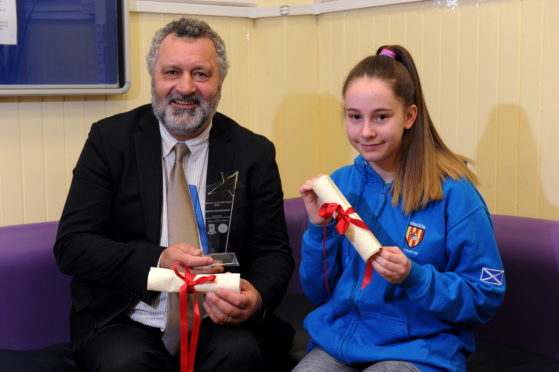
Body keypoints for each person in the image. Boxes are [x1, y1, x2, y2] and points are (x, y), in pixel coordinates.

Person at [54, 17, 294, 372]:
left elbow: (274, 253)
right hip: (128, 315)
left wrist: (256, 297)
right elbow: (72, 246)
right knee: (126, 364)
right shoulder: (110, 142)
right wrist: (159, 259)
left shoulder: (252, 152)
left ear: (220, 80)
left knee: (240, 355)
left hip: (218, 317)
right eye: (172, 72)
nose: (185, 87)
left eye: (200, 74)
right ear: (154, 76)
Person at [294, 45, 505, 372]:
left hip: (419, 351)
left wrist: (415, 277)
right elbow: (318, 291)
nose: (366, 132)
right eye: (354, 117)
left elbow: (485, 295)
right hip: (341, 343)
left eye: (381, 116)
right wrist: (317, 228)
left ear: (409, 116)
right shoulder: (340, 186)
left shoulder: (454, 192)